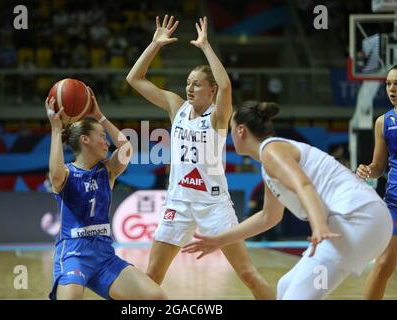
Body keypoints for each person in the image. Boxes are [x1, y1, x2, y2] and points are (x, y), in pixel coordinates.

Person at [126, 15, 274, 300]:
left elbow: (228, 87)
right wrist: (154, 45)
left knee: (247, 274)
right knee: (151, 277)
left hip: (213, 204)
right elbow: (134, 79)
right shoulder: (176, 106)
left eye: (196, 84)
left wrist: (205, 46)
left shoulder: (218, 116)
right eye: (187, 83)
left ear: (211, 90)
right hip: (178, 202)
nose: (189, 88)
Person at [182, 101, 393, 300]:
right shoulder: (271, 160)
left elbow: (304, 185)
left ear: (241, 130)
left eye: (231, 128)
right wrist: (218, 240)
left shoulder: (271, 151)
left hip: (356, 220)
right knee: (284, 287)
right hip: (369, 222)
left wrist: (318, 226)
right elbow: (268, 218)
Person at [45, 92, 166, 300]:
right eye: (102, 136)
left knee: (157, 298)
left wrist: (99, 116)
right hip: (74, 254)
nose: (107, 142)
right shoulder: (66, 174)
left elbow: (126, 148)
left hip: (104, 256)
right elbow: (54, 176)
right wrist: (56, 130)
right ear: (85, 140)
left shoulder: (107, 172)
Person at [356, 65, 397, 300]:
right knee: (382, 265)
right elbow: (378, 166)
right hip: (394, 202)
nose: (392, 89)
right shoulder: (383, 122)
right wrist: (367, 170)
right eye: (389, 84)